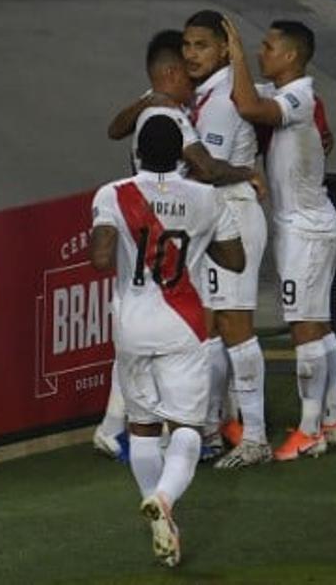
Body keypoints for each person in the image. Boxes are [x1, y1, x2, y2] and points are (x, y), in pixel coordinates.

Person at [94, 30, 262, 460]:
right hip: (165, 226)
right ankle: (194, 432)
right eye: (185, 71)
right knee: (189, 335)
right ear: (169, 73)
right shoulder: (171, 116)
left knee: (135, 343)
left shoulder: (148, 106)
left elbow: (114, 128)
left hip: (138, 235)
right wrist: (247, 173)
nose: (192, 80)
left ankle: (116, 428)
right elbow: (203, 166)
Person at [89, 116, 245, 570]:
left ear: (137, 151)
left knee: (141, 429)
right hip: (184, 325)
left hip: (133, 326)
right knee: (186, 431)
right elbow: (235, 260)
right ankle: (164, 497)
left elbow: (101, 258)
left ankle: (160, 519)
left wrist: (122, 241)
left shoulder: (112, 194)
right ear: (181, 156)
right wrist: (195, 241)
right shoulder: (206, 198)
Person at [223, 17, 336, 461]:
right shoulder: (297, 95)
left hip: (305, 232)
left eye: (268, 46)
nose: (261, 51)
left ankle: (310, 431)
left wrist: (233, 55)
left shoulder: (296, 95)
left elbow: (251, 109)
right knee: (321, 325)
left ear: (291, 55)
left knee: (305, 330)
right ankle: (331, 420)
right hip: (313, 226)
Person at [180, 8, 269, 467]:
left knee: (235, 327)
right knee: (211, 327)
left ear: (223, 48)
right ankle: (212, 430)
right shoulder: (212, 93)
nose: (192, 54)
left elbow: (207, 168)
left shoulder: (218, 103)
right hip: (216, 217)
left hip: (231, 214)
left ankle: (254, 437)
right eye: (187, 45)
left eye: (202, 45)